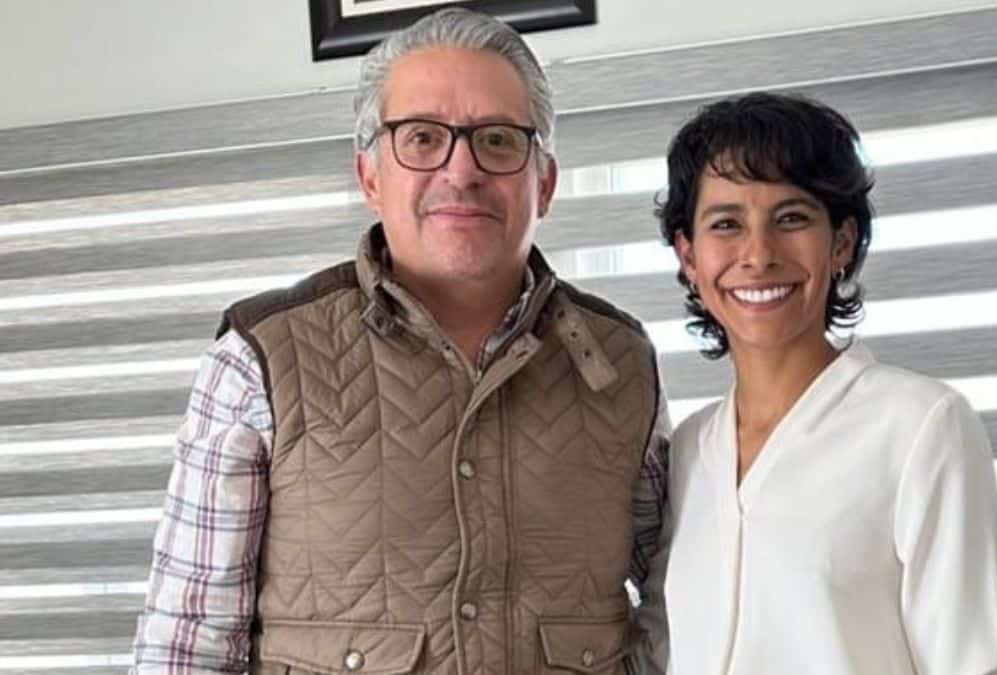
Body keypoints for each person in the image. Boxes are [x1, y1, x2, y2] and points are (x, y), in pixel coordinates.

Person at [130, 8, 669, 674]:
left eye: (498, 140)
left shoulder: (621, 361)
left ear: (546, 183)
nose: (462, 170)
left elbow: (684, 603)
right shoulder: (257, 358)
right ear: (370, 176)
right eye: (422, 137)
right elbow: (186, 648)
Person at [655, 91, 997, 674]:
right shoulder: (688, 452)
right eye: (727, 224)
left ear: (841, 242)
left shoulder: (921, 427)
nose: (758, 254)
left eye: (791, 218)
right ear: (689, 256)